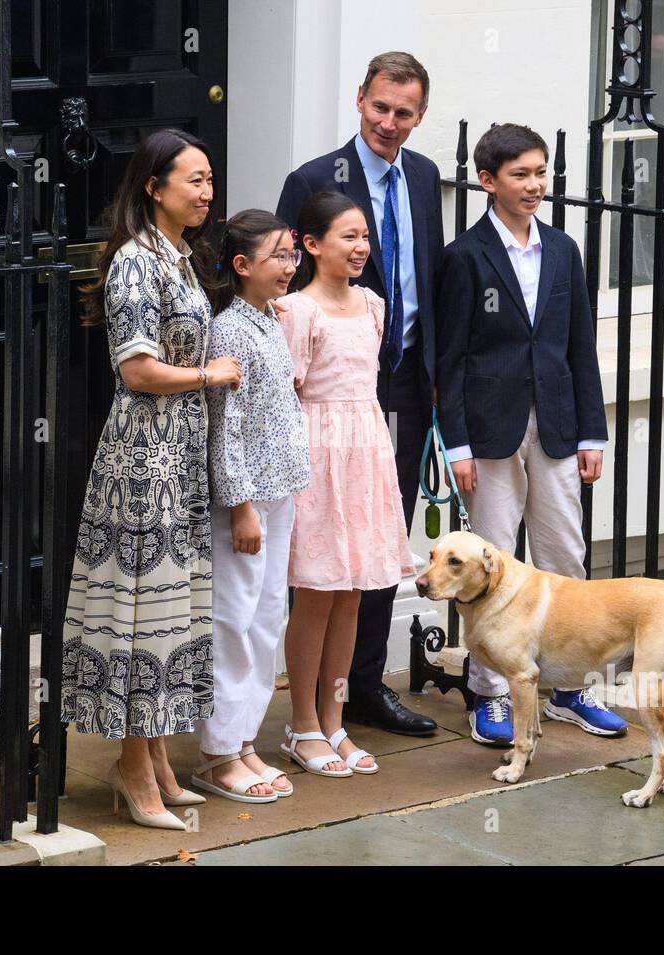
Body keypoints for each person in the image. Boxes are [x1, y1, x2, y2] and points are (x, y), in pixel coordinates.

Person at [61, 128, 241, 830]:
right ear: (153, 186)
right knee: (144, 613)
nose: (206, 191)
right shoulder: (138, 261)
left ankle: (157, 755)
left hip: (179, 454)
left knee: (172, 611)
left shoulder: (181, 256)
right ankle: (132, 766)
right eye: (194, 179)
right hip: (143, 459)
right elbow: (136, 367)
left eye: (209, 179)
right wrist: (210, 373)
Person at [434, 123, 627, 746]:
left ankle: (571, 688)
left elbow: (580, 348)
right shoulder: (465, 255)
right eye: (521, 174)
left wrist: (593, 433)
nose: (535, 185)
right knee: (487, 562)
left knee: (564, 555)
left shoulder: (565, 250)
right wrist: (456, 444)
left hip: (559, 425)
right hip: (489, 432)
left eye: (541, 173)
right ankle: (488, 696)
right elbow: (452, 357)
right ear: (488, 181)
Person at [275, 51, 442, 737]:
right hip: (326, 392)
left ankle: (363, 687)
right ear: (359, 99)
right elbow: (281, 282)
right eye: (380, 107)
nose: (390, 123)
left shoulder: (427, 176)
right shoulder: (315, 179)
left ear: (419, 114)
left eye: (404, 112)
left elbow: (426, 278)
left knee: (378, 540)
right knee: (318, 552)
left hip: (403, 383)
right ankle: (308, 708)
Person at [274, 191, 414, 777]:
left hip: (366, 451)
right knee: (316, 592)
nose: (360, 248)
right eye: (346, 237)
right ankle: (302, 723)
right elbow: (284, 398)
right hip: (317, 456)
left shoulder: (375, 306)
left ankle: (335, 720)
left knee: (353, 592)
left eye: (364, 237)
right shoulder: (295, 311)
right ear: (311, 244)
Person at [194, 210, 311, 803]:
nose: (290, 267)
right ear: (242, 267)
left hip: (279, 490)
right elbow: (227, 426)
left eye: (292, 256)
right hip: (246, 501)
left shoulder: (269, 321)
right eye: (278, 258)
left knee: (267, 620)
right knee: (234, 620)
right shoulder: (230, 330)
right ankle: (218, 752)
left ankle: (243, 741)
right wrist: (240, 506)